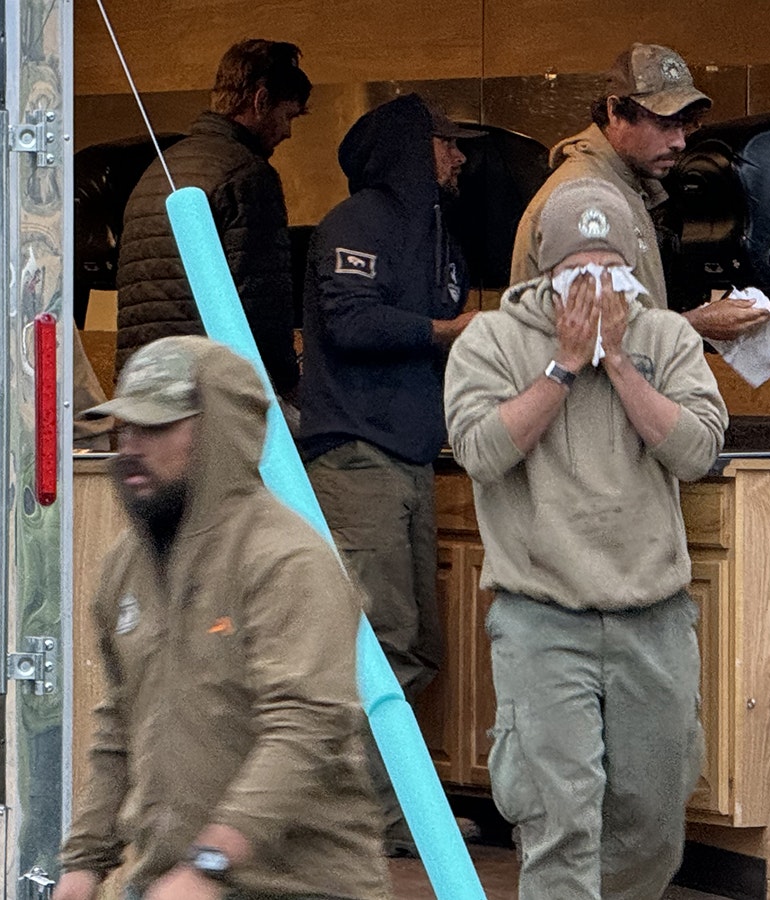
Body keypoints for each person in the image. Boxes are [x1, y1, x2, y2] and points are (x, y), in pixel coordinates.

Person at [446, 177, 728, 899]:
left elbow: (697, 452)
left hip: (654, 618)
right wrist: (565, 367)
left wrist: (621, 363)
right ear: (546, 274)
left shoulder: (665, 335)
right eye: (579, 270)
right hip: (542, 619)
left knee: (652, 824)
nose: (596, 287)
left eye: (611, 268)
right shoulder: (492, 340)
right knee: (560, 824)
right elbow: (479, 451)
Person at [55, 336, 387, 900]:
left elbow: (305, 725)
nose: (130, 446)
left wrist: (210, 862)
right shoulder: (127, 564)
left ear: (219, 432)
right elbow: (117, 728)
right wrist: (83, 864)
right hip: (169, 881)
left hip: (298, 886)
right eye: (125, 427)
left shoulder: (285, 560)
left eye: (157, 427)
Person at [295, 93, 479, 857]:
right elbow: (350, 321)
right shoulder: (356, 224)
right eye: (445, 144)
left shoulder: (436, 235)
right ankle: (372, 817)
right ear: (411, 147)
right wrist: (446, 331)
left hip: (406, 458)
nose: (457, 156)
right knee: (380, 639)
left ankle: (384, 807)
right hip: (354, 456)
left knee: (419, 643)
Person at [510, 42, 770, 342]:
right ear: (615, 112)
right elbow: (588, 335)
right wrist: (695, 324)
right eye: (664, 124)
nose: (680, 142)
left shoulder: (626, 188)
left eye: (684, 126)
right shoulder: (584, 199)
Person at [114, 39, 310, 404]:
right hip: (207, 392)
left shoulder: (158, 171)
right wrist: (284, 384)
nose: (287, 132)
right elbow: (261, 299)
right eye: (288, 116)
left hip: (142, 387)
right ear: (261, 101)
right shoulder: (248, 176)